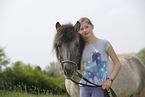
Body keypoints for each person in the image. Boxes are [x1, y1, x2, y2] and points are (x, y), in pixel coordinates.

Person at [78, 17, 121, 97]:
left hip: (99, 87)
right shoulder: (80, 48)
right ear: (79, 32)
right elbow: (81, 70)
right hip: (83, 87)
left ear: (92, 26)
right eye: (81, 29)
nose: (85, 30)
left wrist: (109, 80)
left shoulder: (104, 43)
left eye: (86, 27)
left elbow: (117, 63)